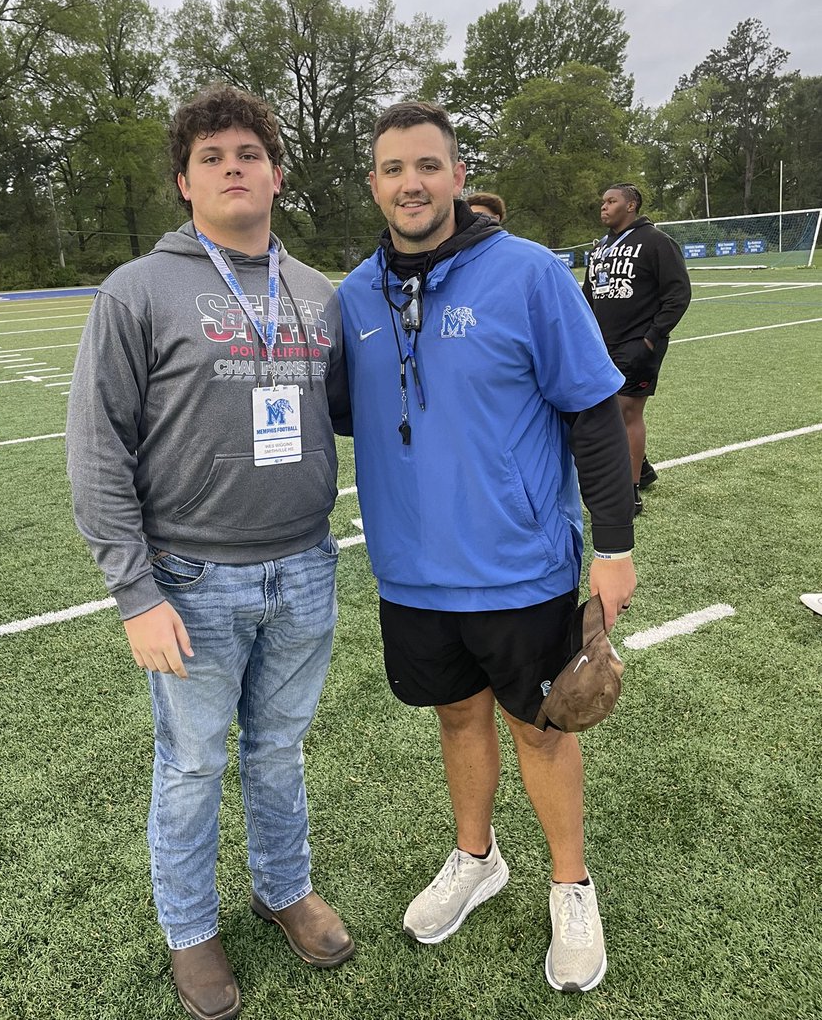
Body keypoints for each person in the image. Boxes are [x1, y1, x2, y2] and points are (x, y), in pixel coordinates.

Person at [66, 83, 353, 1020]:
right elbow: (97, 447)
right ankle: (191, 930)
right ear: (185, 184)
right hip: (189, 578)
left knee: (280, 750)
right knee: (191, 764)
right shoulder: (138, 289)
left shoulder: (316, 293)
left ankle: (283, 890)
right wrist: (135, 592)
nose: (234, 168)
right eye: (211, 158)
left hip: (306, 562)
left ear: (276, 172)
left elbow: (345, 419)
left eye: (249, 153)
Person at [337, 101, 636, 994]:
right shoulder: (355, 294)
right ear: (376, 184)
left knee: (540, 729)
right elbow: (338, 417)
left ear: (458, 176)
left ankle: (571, 886)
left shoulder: (531, 273)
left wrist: (612, 548)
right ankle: (477, 857)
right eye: (393, 169)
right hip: (412, 571)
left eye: (428, 165)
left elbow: (592, 413)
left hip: (520, 563)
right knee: (457, 715)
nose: (411, 184)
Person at [583, 185, 691, 515]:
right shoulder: (601, 247)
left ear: (630, 205)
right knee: (601, 412)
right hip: (602, 344)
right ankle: (641, 468)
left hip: (637, 344)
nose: (603, 207)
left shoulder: (656, 242)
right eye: (602, 201)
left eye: (611, 201)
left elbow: (678, 293)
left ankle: (628, 494)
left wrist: (651, 337)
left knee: (626, 412)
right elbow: (588, 294)